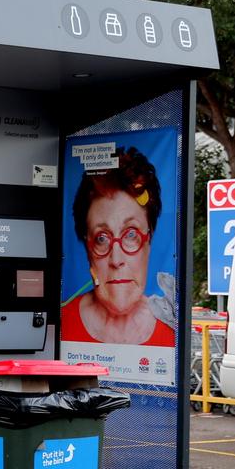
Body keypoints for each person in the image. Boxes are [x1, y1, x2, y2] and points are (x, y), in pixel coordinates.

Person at [61, 146, 175, 347]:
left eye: (131, 234)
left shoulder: (171, 332)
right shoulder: (61, 324)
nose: (116, 260)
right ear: (87, 247)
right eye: (101, 238)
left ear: (148, 241)